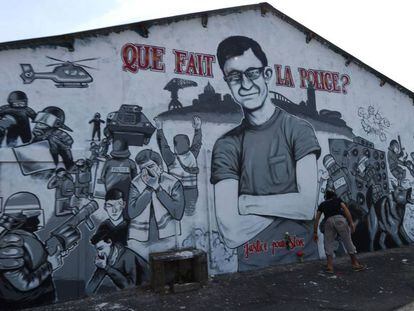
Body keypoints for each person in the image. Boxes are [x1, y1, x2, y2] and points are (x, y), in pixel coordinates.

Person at [211, 36, 321, 270]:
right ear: (227, 82)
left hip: (305, 264)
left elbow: (307, 206)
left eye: (252, 73)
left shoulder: (298, 130)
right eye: (235, 77)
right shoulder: (227, 145)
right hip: (253, 274)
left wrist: (246, 203)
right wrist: (288, 207)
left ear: (267, 75)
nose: (246, 84)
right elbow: (230, 232)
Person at [0, 192, 64, 309]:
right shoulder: (11, 240)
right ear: (22, 216)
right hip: (26, 304)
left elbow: (31, 261)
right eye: (35, 216)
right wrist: (50, 265)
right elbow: (23, 284)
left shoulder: (21, 237)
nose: (38, 221)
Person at [128, 149, 185, 245]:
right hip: (140, 238)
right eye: (143, 169)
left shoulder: (173, 183)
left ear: (160, 167)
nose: (148, 171)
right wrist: (149, 189)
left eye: (151, 166)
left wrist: (157, 188)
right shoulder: (136, 183)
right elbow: (132, 212)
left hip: (168, 236)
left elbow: (178, 214)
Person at [155, 115, 202, 216]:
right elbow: (197, 143)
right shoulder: (192, 155)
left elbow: (163, 146)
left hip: (177, 191)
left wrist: (159, 129)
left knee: (175, 215)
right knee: (190, 215)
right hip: (192, 192)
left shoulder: (171, 159)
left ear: (175, 147)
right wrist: (198, 129)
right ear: (188, 145)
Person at [313, 190, 365, 273]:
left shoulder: (322, 204)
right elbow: (345, 209)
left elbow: (317, 219)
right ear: (333, 195)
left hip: (328, 221)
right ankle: (355, 263)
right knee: (347, 241)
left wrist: (315, 232)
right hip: (339, 219)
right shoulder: (337, 200)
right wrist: (351, 222)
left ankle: (330, 266)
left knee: (328, 243)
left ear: (326, 197)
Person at [86, 226, 148, 295]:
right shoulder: (105, 259)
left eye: (101, 248)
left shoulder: (128, 256)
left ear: (109, 242)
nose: (99, 253)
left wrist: (106, 267)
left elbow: (129, 287)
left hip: (147, 292)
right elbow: (91, 287)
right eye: (97, 250)